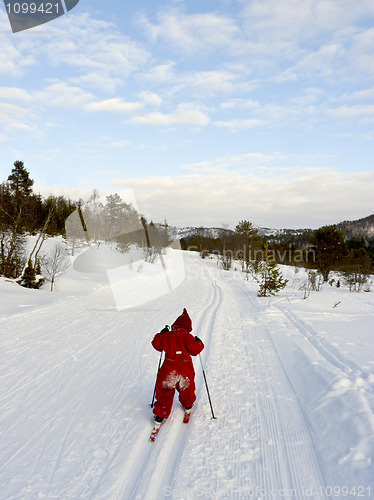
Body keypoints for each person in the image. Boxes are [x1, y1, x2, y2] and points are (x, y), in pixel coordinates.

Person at [151, 308, 204, 424]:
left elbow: (156, 344)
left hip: (168, 371)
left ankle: (160, 415)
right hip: (185, 371)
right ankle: (188, 405)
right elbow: (195, 350)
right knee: (187, 388)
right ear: (188, 327)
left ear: (175, 325)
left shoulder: (167, 336)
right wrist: (199, 342)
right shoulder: (187, 337)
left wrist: (162, 333)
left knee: (164, 391)